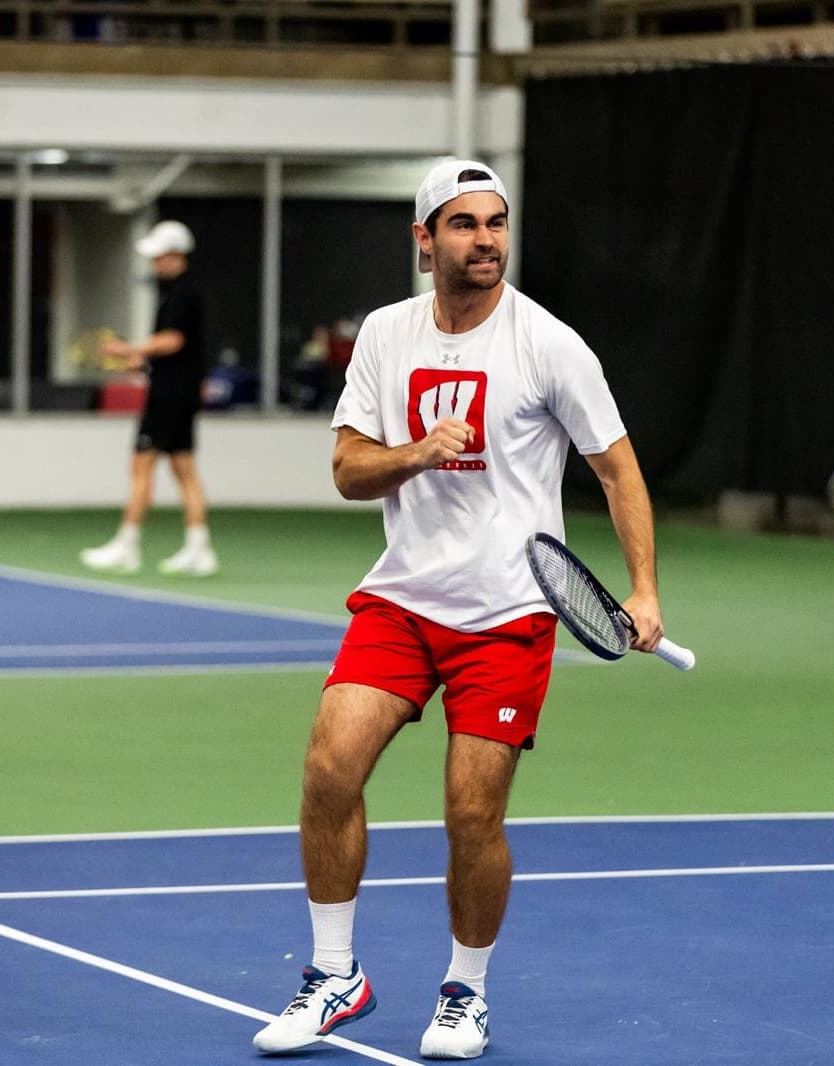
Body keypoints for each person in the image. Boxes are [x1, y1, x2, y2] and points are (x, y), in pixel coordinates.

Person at [252, 159, 664, 1060]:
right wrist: (416, 454)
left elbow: (618, 468)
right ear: (424, 240)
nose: (486, 240)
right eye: (465, 224)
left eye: (497, 223)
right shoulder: (385, 335)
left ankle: (464, 996)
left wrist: (642, 589)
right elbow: (349, 473)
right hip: (402, 599)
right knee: (329, 770)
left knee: (471, 813)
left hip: (510, 612)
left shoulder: (550, 343)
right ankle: (334, 978)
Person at [79, 220, 219, 577]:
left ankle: (127, 545)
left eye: (159, 256)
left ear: (175, 254)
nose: (155, 263)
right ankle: (199, 549)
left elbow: (173, 341)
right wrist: (141, 359)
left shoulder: (181, 292)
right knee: (183, 468)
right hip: (180, 391)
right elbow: (174, 348)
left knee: (141, 466)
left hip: (169, 395)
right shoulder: (179, 290)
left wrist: (129, 348)